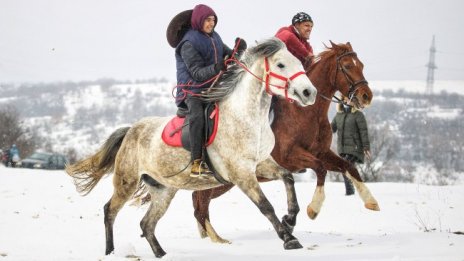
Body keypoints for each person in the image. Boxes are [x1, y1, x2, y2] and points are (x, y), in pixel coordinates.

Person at [174, 4, 246, 177]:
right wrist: (217, 67)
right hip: (192, 90)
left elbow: (230, 56)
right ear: (199, 20)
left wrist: (239, 50)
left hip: (214, 87)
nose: (211, 23)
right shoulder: (188, 43)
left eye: (213, 20)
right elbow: (197, 74)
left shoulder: (215, 37)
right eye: (208, 20)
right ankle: (196, 163)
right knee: (198, 116)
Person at [331, 97, 371, 195]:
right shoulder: (338, 115)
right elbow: (331, 129)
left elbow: (364, 132)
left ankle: (350, 192)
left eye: (350, 99)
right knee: (347, 168)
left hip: (355, 147)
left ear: (354, 101)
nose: (347, 101)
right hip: (342, 148)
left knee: (345, 166)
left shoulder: (358, 115)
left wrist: (366, 147)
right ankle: (359, 187)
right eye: (344, 99)